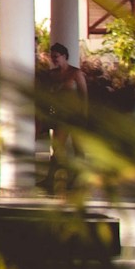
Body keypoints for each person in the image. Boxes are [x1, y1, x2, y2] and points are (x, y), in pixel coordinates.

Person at [38, 42, 89, 184]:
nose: (54, 59)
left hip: (75, 115)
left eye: (56, 56)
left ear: (64, 56)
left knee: (78, 148)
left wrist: (84, 115)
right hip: (60, 116)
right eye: (52, 57)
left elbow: (84, 95)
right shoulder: (51, 75)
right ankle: (49, 178)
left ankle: (78, 177)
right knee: (57, 148)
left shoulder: (75, 73)